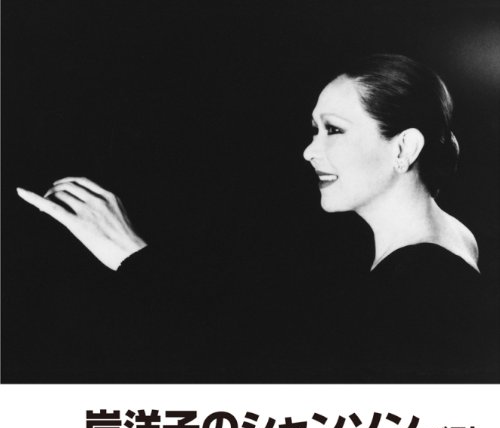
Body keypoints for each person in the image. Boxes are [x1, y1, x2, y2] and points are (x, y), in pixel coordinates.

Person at [16, 54, 499, 382]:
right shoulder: (448, 240)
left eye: (333, 130)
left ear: (404, 147)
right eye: (314, 129)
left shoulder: (423, 284)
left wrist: (131, 255)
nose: (310, 150)